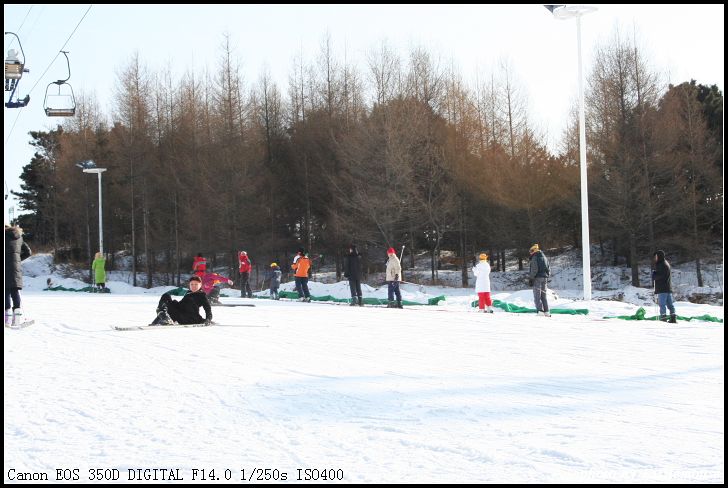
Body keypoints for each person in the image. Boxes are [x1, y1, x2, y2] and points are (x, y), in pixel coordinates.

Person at [5, 224, 32, 326]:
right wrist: (17, 260)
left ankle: (6, 319)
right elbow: (28, 252)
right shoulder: (19, 236)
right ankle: (16, 320)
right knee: (15, 291)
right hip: (16, 268)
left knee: (6, 291)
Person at [652, 250, 677, 323]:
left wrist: (654, 275)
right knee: (669, 304)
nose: (655, 258)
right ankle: (673, 317)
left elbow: (661, 275)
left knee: (662, 304)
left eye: (656, 256)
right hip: (667, 287)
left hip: (662, 288)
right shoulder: (665, 263)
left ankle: (663, 318)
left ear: (659, 256)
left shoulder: (661, 264)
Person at [528, 244, 551, 317]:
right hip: (545, 278)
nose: (530, 253)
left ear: (534, 250)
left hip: (537, 278)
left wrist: (531, 278)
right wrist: (547, 275)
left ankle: (540, 311)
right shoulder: (544, 257)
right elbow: (548, 268)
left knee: (537, 295)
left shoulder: (535, 257)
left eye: (531, 251)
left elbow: (534, 269)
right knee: (543, 296)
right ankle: (547, 311)